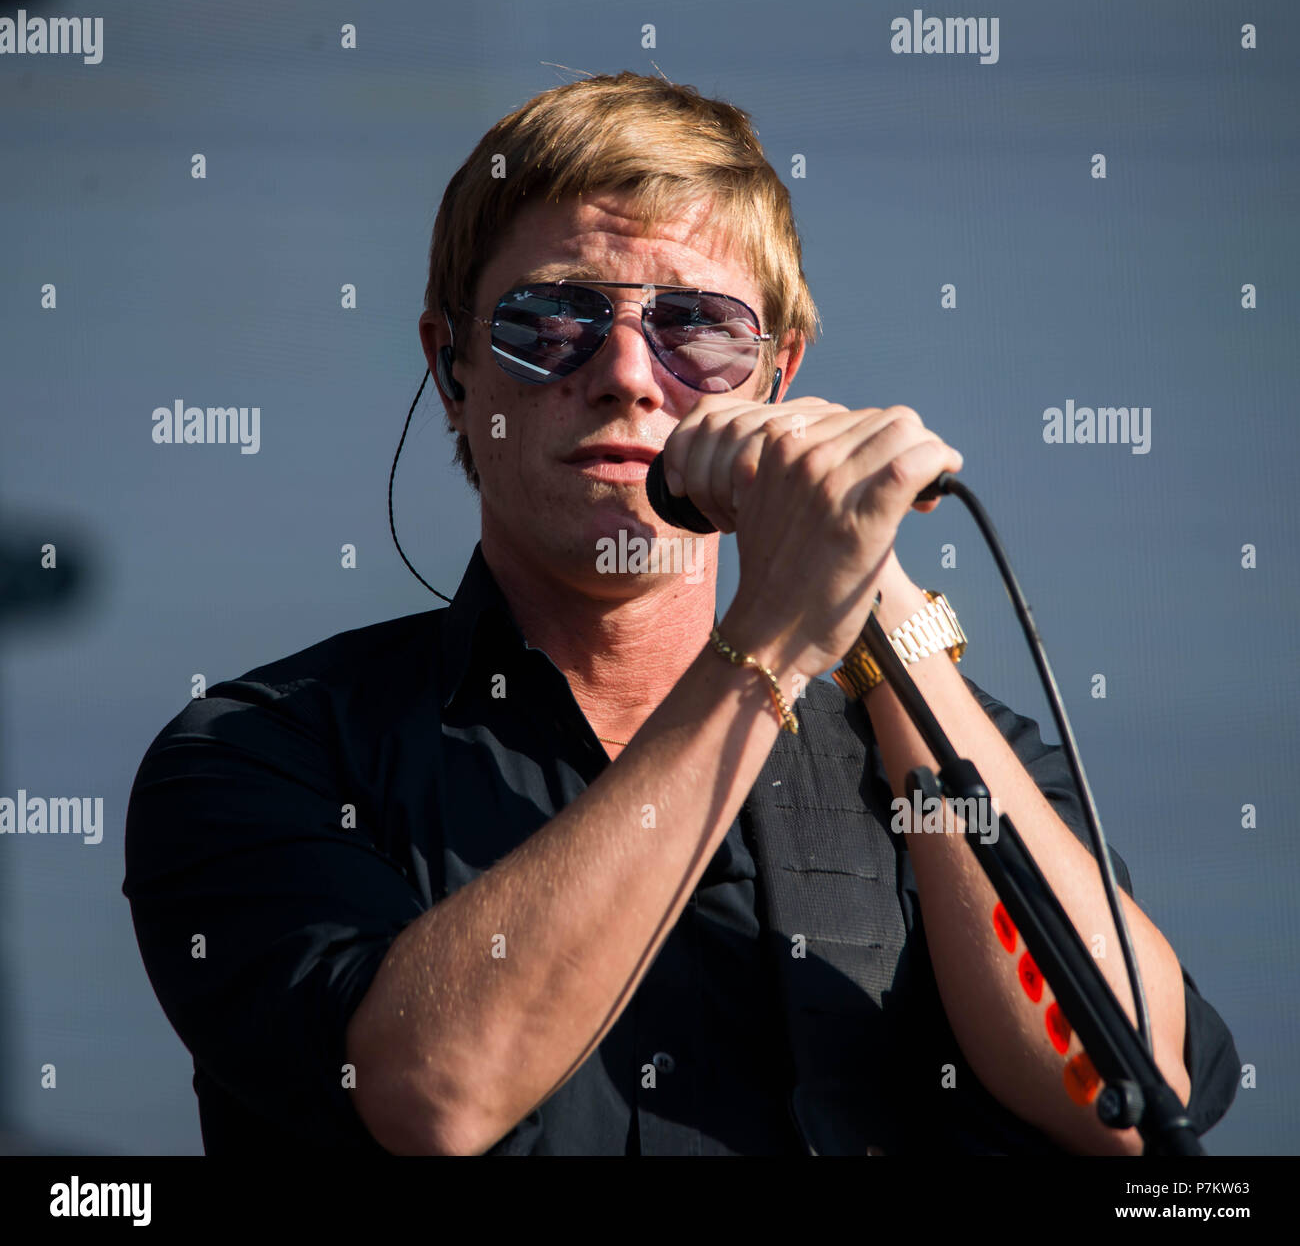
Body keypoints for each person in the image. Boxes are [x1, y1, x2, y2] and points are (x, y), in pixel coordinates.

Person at [123, 71, 1239, 1157]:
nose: (625, 373)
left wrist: (872, 591)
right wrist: (769, 643)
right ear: (451, 363)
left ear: (774, 378)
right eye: (549, 319)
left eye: (695, 326)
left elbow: (1134, 1093)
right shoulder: (261, 750)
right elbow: (433, 1094)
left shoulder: (933, 741)